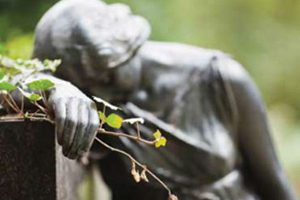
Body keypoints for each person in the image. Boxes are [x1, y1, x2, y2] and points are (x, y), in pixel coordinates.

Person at [31, 0, 298, 199]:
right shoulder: (96, 104)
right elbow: (14, 85)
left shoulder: (221, 79)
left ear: (127, 45)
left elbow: (273, 182)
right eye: (86, 87)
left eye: (107, 77)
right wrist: (55, 87)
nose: (101, 94)